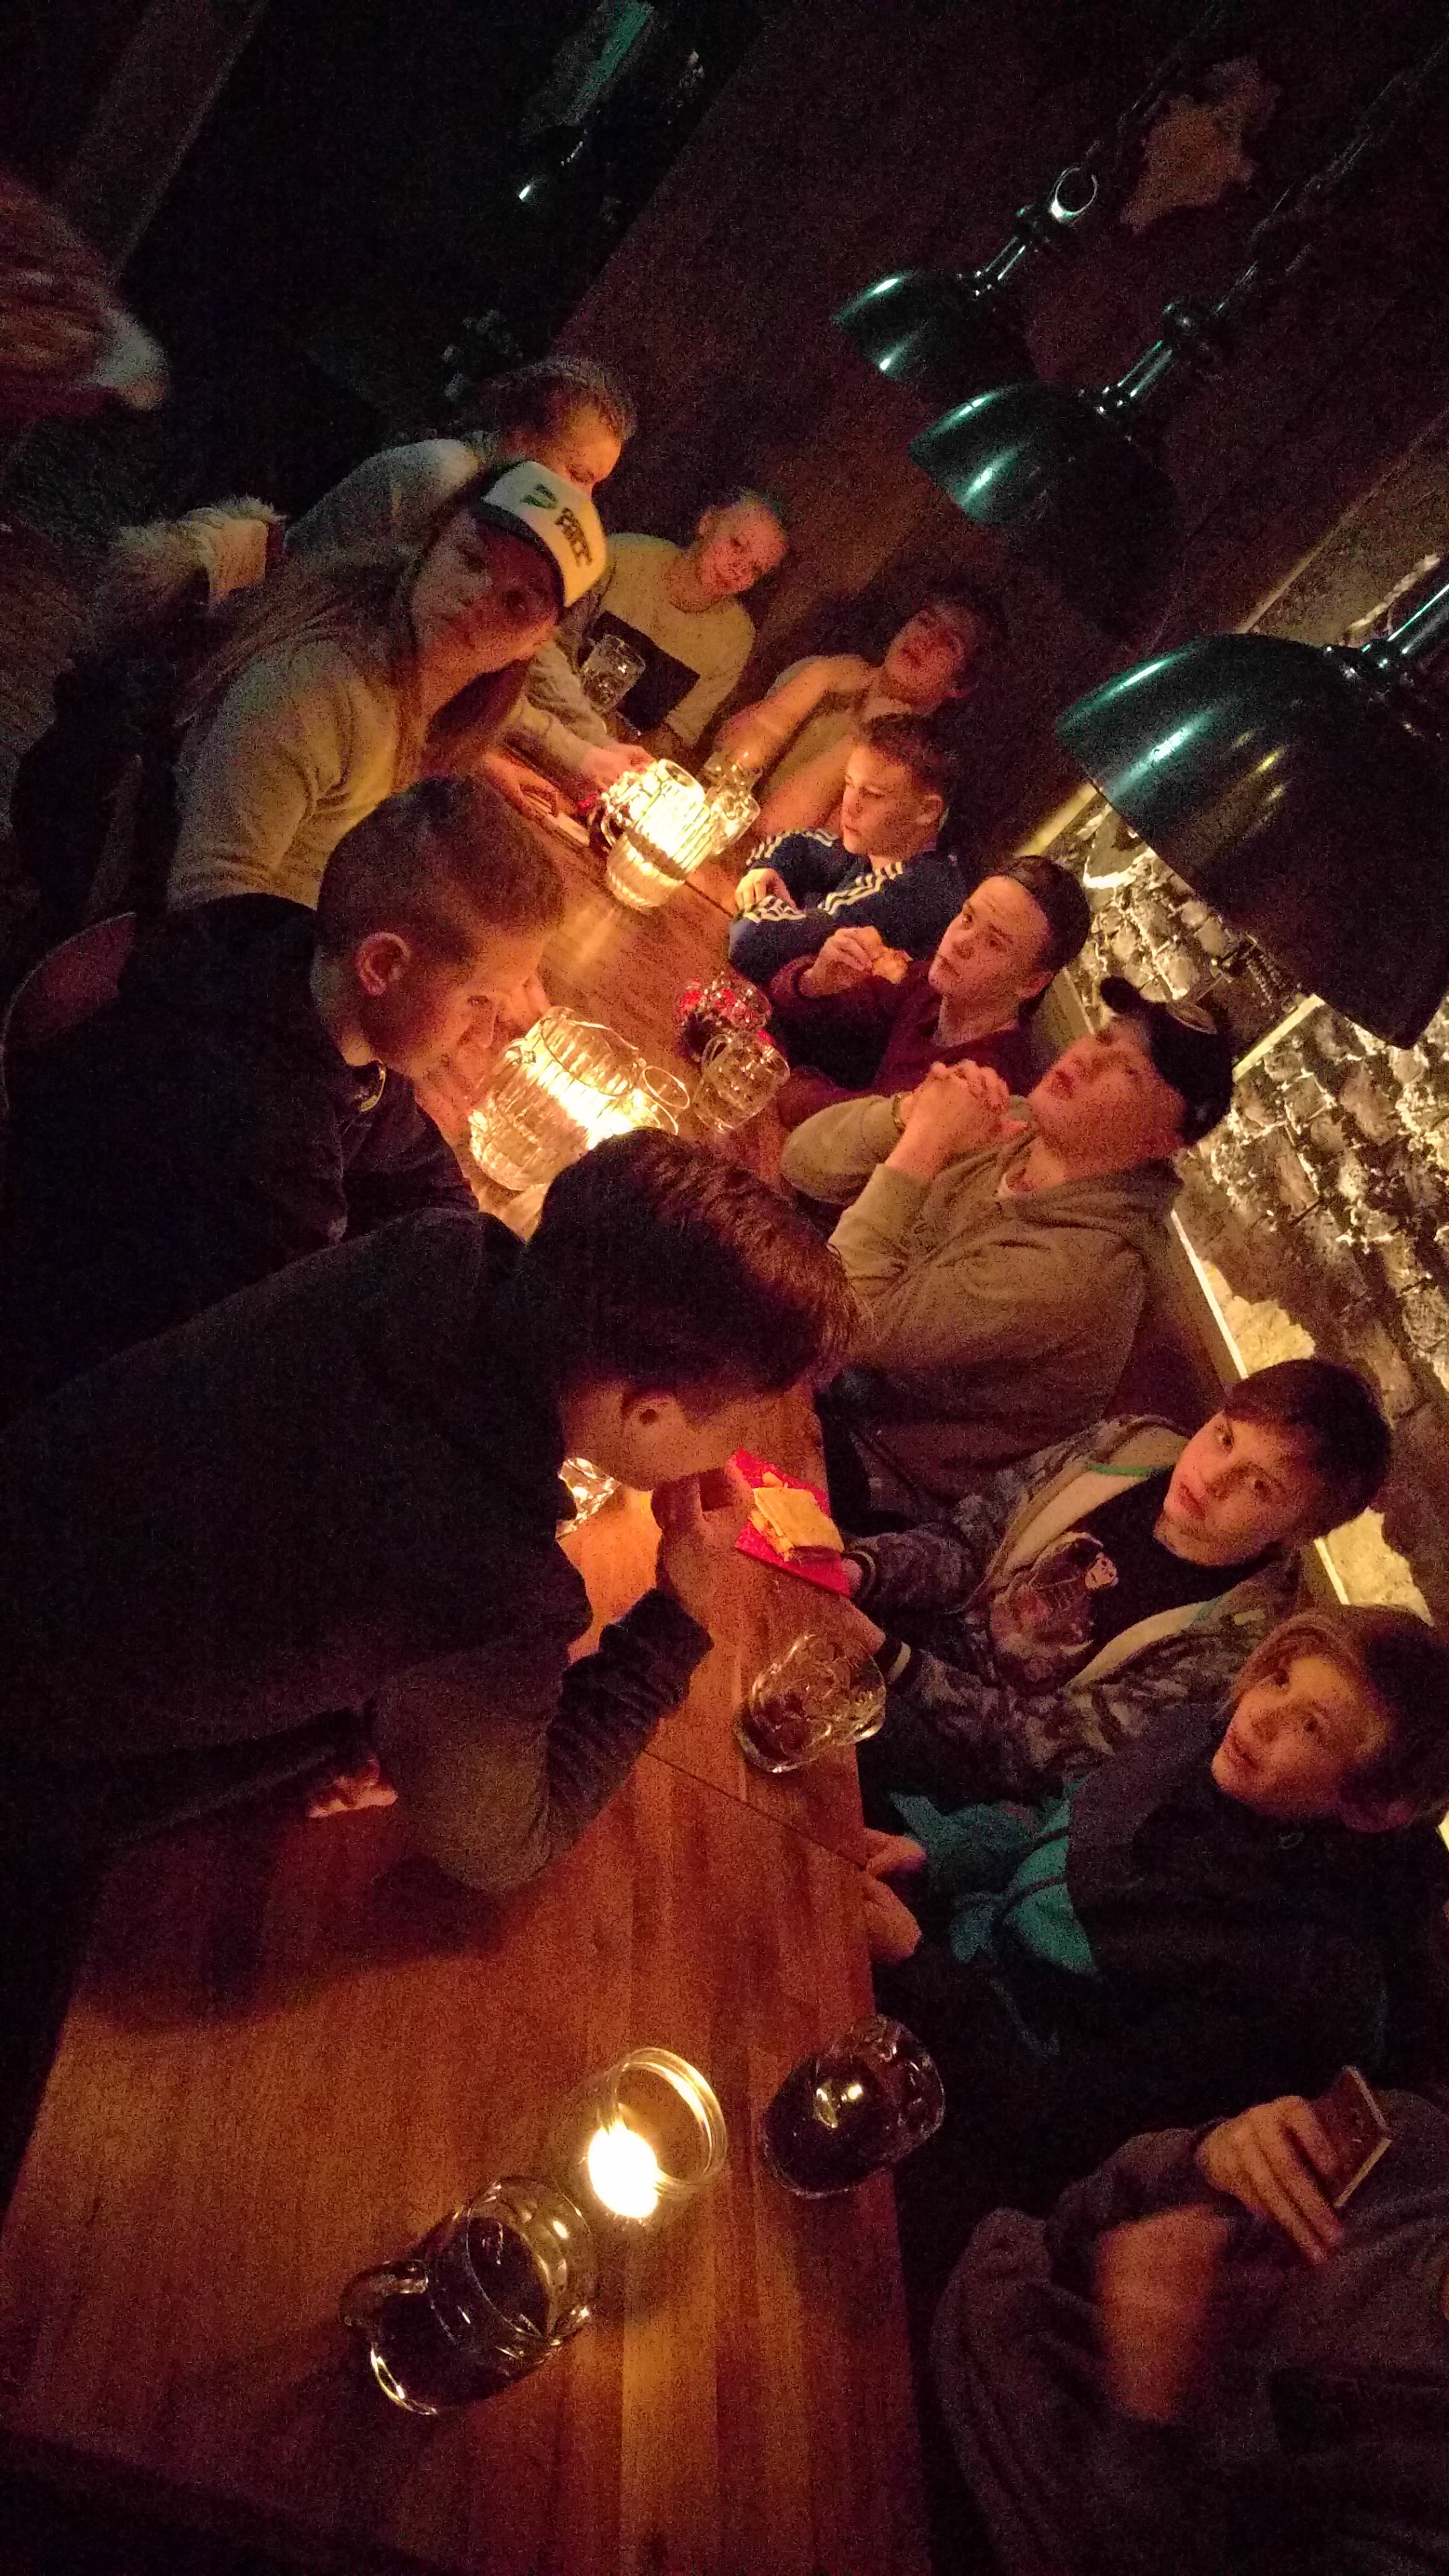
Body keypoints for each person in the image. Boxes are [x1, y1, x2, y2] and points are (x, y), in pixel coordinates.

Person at [0, 1130, 857, 1895]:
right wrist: (679, 1612)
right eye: (743, 1423)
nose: (740, 1450)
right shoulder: (494, 1587)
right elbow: (509, 1844)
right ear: (650, 1413)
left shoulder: (432, 1252)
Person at [859, 1605, 1449, 2298]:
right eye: (1280, 1678)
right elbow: (1059, 1814)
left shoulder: (1298, 1988)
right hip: (954, 1958)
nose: (1261, 1714)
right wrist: (939, 1852)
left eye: (1312, 1726)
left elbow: (1065, 2124)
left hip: (974, 2114)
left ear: (1375, 1807)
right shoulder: (1202, 1743)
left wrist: (917, 1963)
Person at [0, 777, 564, 1408]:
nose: (487, 1033)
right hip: (68, 1380)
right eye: (479, 1001)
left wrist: (472, 1257)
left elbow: (410, 1159)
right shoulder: (265, 1134)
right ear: (382, 966)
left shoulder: (293, 962)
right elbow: (294, 1349)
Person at [934, 2082, 1449, 2575]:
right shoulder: (1412, 2147)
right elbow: (1074, 2225)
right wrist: (1203, 2161)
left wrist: (1149, 2411)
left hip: (975, 2505)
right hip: (972, 2285)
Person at [844, 1360, 1392, 1807]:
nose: (1212, 1476)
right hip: (903, 1637)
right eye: (1225, 1438)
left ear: (1298, 1534)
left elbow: (1034, 1750)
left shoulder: (1232, 1645)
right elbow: (968, 1543)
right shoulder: (1129, 1447)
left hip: (960, 1761)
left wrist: (890, 1658)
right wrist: (862, 1571)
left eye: (1259, 1486)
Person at [781, 978, 1235, 1508]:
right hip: (820, 1379)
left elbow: (844, 1321)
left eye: (1130, 1072)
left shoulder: (1084, 1272)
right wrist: (907, 1115)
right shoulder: (1014, 1122)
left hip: (870, 1476)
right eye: (1106, 1037)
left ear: (1163, 1141)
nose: (1089, 1059)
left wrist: (927, 1140)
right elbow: (802, 1163)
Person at [166, 459, 607, 911]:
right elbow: (204, 900)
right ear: (434, 541)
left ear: (537, 642)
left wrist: (484, 764)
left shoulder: (438, 695)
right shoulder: (317, 690)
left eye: (516, 603)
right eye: (472, 559)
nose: (479, 597)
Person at [767, 858, 1091, 1128]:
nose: (961, 942)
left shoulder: (986, 1083)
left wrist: (786, 1083)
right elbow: (799, 1010)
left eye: (994, 943)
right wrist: (816, 981)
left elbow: (843, 1128)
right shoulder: (930, 986)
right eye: (968, 917)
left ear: (1032, 983)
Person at [506, 486, 790, 788]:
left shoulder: (735, 638)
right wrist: (593, 738)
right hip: (527, 717)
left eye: (756, 569)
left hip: (605, 766)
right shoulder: (623, 557)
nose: (739, 569)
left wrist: (626, 767)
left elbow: (675, 735)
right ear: (707, 522)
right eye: (737, 545)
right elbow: (546, 650)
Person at [714, 586, 1004, 839]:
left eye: (949, 644)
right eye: (925, 622)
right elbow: (723, 760)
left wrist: (864, 735)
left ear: (959, 685)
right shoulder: (828, 676)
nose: (926, 640)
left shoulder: (919, 770)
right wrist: (817, 678)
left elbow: (777, 836)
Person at [286, 354, 635, 557]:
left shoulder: (499, 501)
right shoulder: (444, 476)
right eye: (577, 474)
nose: (584, 500)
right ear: (522, 434)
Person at [728, 714, 969, 989]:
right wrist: (764, 871)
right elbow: (795, 843)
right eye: (849, 783)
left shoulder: (917, 891)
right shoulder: (877, 849)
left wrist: (763, 902)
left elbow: (753, 943)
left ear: (927, 810)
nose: (850, 805)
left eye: (873, 794)